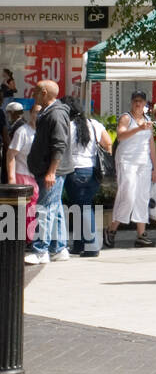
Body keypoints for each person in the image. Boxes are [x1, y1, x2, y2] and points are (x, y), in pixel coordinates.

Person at [24, 80, 73, 265]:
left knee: (44, 209)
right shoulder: (49, 112)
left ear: (44, 92)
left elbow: (59, 144)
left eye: (36, 92)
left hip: (52, 171)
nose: (33, 95)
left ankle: (40, 250)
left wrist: (52, 171)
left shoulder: (56, 114)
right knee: (55, 207)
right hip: (48, 169)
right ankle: (59, 248)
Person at [106, 91, 156, 250]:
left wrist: (155, 168)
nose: (138, 104)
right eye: (136, 101)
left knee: (142, 197)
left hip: (144, 162)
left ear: (145, 104)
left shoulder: (148, 120)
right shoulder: (126, 117)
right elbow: (121, 136)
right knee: (128, 196)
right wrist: (138, 128)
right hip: (127, 161)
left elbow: (151, 145)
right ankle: (111, 229)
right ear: (132, 102)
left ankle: (141, 235)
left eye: (141, 101)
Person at [64, 99, 112, 258]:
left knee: (82, 207)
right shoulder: (94, 124)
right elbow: (108, 143)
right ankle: (79, 244)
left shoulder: (68, 126)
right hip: (92, 171)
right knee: (81, 206)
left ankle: (92, 245)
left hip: (74, 170)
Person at [5, 104, 38, 244]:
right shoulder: (23, 132)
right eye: (36, 112)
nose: (39, 116)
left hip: (38, 177)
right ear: (30, 114)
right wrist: (12, 179)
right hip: (23, 176)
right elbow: (11, 154)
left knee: (33, 211)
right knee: (26, 212)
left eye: (42, 113)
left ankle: (30, 240)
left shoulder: (45, 131)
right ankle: (26, 241)